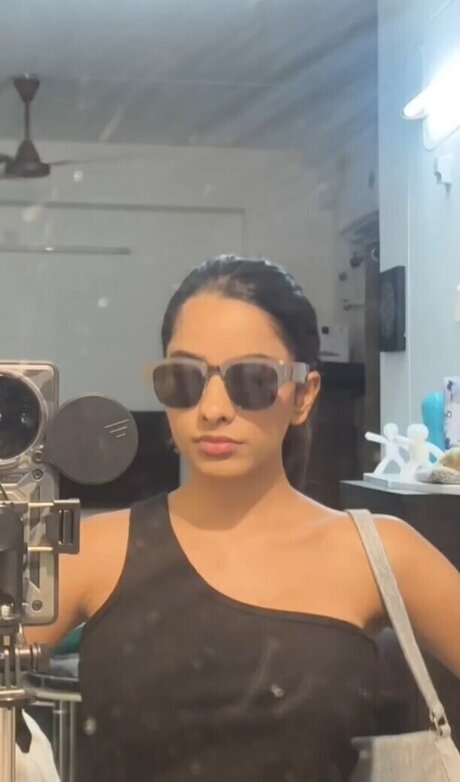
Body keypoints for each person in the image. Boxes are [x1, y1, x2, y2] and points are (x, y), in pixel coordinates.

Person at [26, 255, 460, 781]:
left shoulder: (379, 553)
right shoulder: (94, 550)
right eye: (184, 379)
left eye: (252, 380)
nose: (213, 408)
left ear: (303, 395)